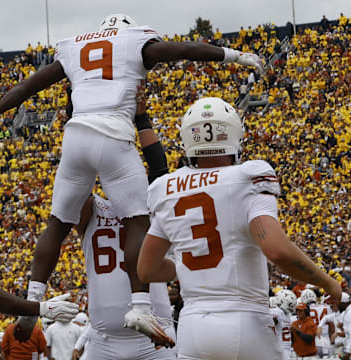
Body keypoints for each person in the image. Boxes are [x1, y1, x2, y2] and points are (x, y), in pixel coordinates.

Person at [0, 12, 263, 346]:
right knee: (138, 220)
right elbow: (182, 49)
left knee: (57, 222)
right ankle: (140, 305)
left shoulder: (74, 47)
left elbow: (27, 86)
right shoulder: (134, 42)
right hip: (114, 135)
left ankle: (34, 297)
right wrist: (234, 55)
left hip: (75, 136)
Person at [137, 97, 342, 359]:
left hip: (192, 326)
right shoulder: (249, 176)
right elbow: (277, 251)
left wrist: (192, 263)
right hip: (245, 321)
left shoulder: (164, 188)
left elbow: (146, 269)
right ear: (234, 132)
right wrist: (327, 282)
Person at [69, 85, 176, 359]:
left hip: (154, 333)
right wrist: (82, 128)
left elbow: (160, 172)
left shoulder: (150, 202)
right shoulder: (91, 208)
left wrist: (142, 120)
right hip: (104, 338)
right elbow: (76, 175)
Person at [270, 289, 297, 360]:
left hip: (284, 348)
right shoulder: (279, 312)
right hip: (283, 348)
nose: (292, 306)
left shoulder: (285, 313)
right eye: (290, 304)